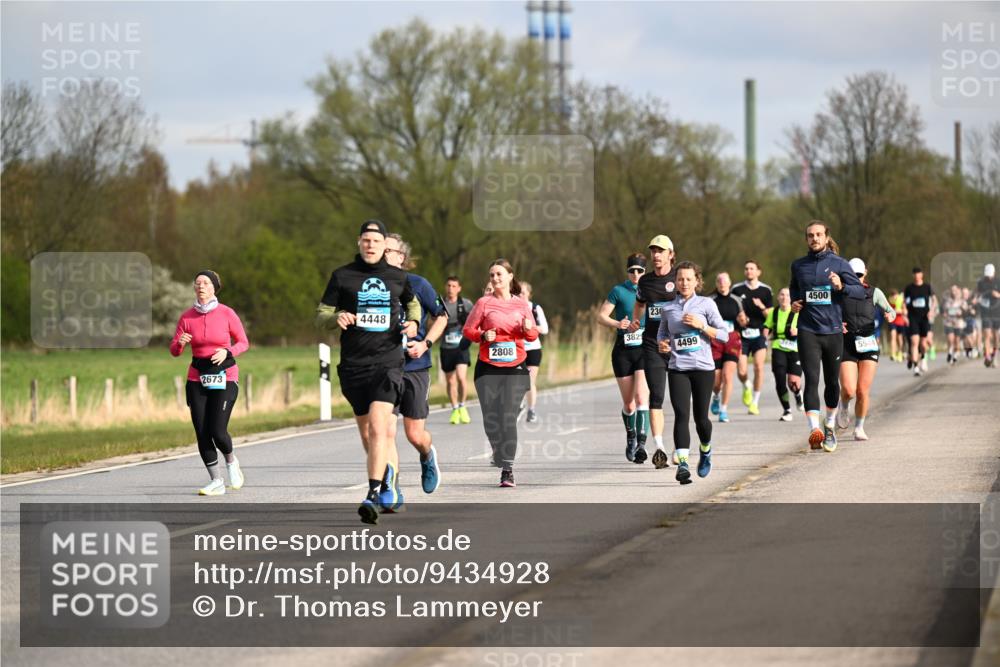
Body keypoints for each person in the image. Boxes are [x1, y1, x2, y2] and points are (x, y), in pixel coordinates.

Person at [315, 219, 420, 524]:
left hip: (388, 363)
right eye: (366, 240)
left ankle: (373, 493)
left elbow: (412, 307)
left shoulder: (398, 277)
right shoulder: (342, 276)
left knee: (378, 427)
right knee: (367, 432)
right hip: (353, 365)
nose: (370, 245)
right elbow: (321, 315)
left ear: (384, 245)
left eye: (376, 241)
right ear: (359, 243)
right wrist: (338, 317)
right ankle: (386, 476)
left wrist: (413, 324)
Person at [169, 270, 250, 496]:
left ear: (214, 287)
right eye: (197, 283)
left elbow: (243, 342)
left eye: (205, 283)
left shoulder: (227, 313)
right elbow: (174, 351)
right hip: (197, 377)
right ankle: (216, 481)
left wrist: (227, 351)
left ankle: (232, 462)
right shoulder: (187, 317)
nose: (201, 286)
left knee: (217, 429)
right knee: (202, 431)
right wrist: (180, 343)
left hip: (225, 376)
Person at [789, 220, 866, 452]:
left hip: (832, 331)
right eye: (810, 235)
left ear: (826, 237)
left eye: (818, 235)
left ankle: (829, 426)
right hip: (808, 330)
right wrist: (794, 303)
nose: (814, 238)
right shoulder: (798, 265)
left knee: (832, 382)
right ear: (806, 239)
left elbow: (859, 292)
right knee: (811, 380)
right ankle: (815, 430)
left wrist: (841, 286)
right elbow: (794, 288)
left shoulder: (839, 264)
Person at [463, 259, 538, 488]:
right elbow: (468, 330)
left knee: (507, 417)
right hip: (487, 366)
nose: (495, 278)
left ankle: (507, 469)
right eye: (492, 275)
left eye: (499, 274)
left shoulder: (522, 305)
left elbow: (533, 335)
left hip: (515, 365)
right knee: (491, 419)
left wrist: (527, 329)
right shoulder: (483, 303)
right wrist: (482, 336)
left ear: (510, 276)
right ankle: (497, 449)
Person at [384, 234, 449, 494]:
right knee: (385, 431)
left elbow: (442, 317)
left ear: (401, 257)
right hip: (384, 368)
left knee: (414, 435)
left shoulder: (418, 284)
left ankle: (427, 455)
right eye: (381, 248)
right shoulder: (371, 287)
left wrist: (425, 344)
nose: (382, 253)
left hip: (414, 367)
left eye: (389, 250)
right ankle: (391, 486)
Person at [656, 261, 729, 485]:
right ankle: (684, 464)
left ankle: (705, 450)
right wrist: (663, 344)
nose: (684, 283)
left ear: (697, 281)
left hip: (703, 369)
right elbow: (662, 334)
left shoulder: (706, 304)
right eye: (680, 279)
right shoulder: (668, 308)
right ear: (675, 282)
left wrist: (702, 326)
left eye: (688, 279)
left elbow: (725, 335)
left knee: (701, 420)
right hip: (678, 368)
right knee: (681, 414)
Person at [628, 235, 679, 468]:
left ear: (670, 254)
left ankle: (681, 446)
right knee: (656, 395)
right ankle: (659, 448)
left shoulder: (679, 278)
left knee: (680, 400)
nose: (656, 255)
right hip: (652, 345)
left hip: (679, 345)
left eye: (661, 251)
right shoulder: (645, 282)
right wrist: (636, 320)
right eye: (653, 251)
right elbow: (639, 303)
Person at [597, 253, 650, 461]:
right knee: (629, 405)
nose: (636, 274)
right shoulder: (618, 291)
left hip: (644, 348)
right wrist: (618, 324)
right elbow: (601, 316)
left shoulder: (650, 290)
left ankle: (642, 445)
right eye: (632, 270)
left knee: (641, 397)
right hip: (623, 349)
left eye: (640, 271)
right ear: (627, 272)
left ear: (645, 272)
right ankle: (631, 435)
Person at [835, 258, 896, 441]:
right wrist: (837, 323)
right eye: (853, 275)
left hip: (868, 343)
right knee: (848, 389)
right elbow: (828, 314)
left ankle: (859, 427)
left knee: (862, 390)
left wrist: (890, 316)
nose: (857, 278)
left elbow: (891, 310)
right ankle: (844, 406)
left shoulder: (874, 292)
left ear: (865, 273)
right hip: (846, 342)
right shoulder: (839, 293)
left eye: (860, 275)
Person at [732, 260, 774, 416]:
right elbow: (732, 310)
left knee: (758, 366)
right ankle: (746, 384)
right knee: (742, 370)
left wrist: (761, 306)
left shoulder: (766, 290)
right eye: (746, 268)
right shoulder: (736, 289)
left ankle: (755, 402)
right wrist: (740, 319)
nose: (749, 271)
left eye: (752, 268)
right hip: (742, 335)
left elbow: (770, 315)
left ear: (758, 272)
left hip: (759, 334)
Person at [709, 272, 746, 424]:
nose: (722, 283)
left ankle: (724, 410)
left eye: (725, 280)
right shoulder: (710, 300)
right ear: (716, 283)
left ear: (730, 283)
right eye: (719, 280)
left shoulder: (736, 300)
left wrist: (743, 320)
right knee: (716, 381)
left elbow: (743, 320)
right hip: (715, 339)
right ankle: (716, 396)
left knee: (728, 376)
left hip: (731, 339)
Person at [763, 287, 803, 422]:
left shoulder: (798, 312)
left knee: (793, 383)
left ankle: (798, 394)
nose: (785, 297)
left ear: (791, 298)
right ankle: (787, 410)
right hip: (778, 346)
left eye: (787, 295)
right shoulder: (773, 312)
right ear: (778, 297)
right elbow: (767, 327)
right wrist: (763, 340)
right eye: (782, 295)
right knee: (780, 380)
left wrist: (797, 331)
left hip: (795, 349)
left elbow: (806, 329)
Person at [440, 276, 475, 424]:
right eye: (449, 285)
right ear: (445, 287)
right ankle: (454, 408)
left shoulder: (466, 304)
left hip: (461, 347)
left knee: (461, 377)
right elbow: (431, 323)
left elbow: (475, 319)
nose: (451, 289)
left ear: (459, 288)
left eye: (454, 286)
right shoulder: (440, 304)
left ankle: (462, 406)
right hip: (446, 347)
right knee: (450, 380)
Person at [519, 281, 550, 423]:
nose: (521, 295)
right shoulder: (511, 308)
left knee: (529, 381)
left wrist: (531, 327)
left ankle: (531, 410)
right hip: (517, 349)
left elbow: (545, 329)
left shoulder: (535, 308)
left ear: (529, 294)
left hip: (533, 349)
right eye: (518, 292)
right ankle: (519, 405)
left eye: (523, 293)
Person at [904, 267, 936, 376]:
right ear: (913, 275)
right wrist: (905, 315)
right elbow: (905, 303)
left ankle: (923, 358)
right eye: (915, 274)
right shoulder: (909, 288)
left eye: (919, 273)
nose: (917, 275)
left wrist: (931, 311)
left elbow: (935, 301)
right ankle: (916, 367)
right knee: (914, 342)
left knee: (923, 343)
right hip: (913, 318)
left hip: (924, 318)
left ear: (922, 274)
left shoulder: (927, 287)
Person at [976, 263, 1000, 367]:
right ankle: (987, 356)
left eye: (990, 274)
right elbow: (978, 294)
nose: (988, 277)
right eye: (987, 275)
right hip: (985, 313)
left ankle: (994, 356)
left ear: (994, 273)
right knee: (987, 335)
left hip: (997, 313)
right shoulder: (981, 282)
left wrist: (998, 295)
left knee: (996, 337)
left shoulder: (998, 282)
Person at [941, 285, 968, 366]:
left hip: (958, 323)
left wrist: (961, 313)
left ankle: (955, 355)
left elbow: (966, 313)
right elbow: (941, 310)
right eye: (952, 290)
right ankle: (950, 352)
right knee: (950, 339)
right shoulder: (946, 300)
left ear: (958, 291)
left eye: (955, 290)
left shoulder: (962, 301)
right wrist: (943, 314)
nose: (953, 292)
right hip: (948, 322)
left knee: (957, 340)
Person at [888, 288, 908, 363]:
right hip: (892, 321)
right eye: (892, 296)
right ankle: (893, 354)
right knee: (893, 336)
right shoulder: (889, 300)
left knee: (900, 339)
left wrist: (898, 311)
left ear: (897, 295)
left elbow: (905, 312)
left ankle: (900, 353)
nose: (894, 298)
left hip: (900, 322)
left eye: (895, 296)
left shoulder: (901, 300)